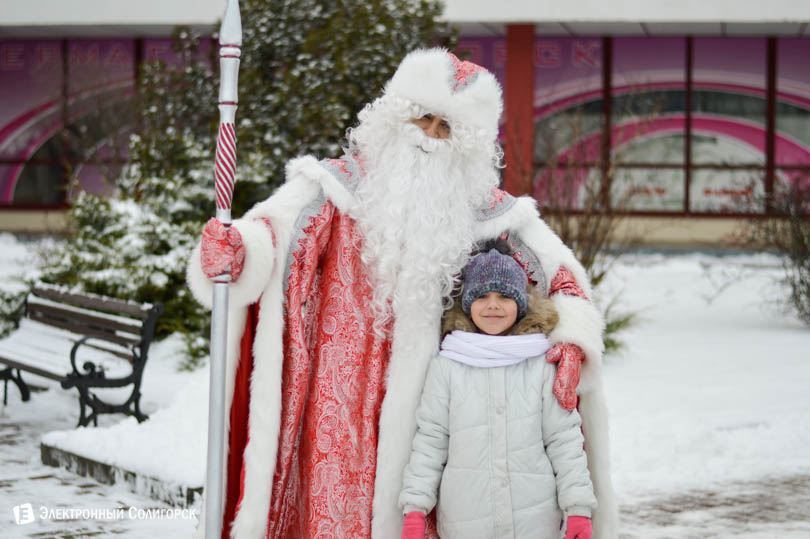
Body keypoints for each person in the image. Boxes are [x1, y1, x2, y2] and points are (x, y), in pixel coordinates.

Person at [187, 47, 617, 539]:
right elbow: (270, 231)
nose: (431, 137)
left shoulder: (490, 214)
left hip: (434, 403)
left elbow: (562, 277)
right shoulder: (332, 186)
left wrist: (571, 339)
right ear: (395, 118)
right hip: (335, 399)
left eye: (446, 128)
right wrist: (235, 251)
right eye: (423, 119)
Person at [398, 245, 596, 539]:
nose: (493, 305)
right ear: (467, 304)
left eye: (504, 296)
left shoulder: (540, 364)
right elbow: (430, 440)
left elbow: (563, 439)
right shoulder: (448, 366)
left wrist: (578, 507)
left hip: (534, 519)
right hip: (467, 519)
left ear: (521, 303)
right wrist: (415, 506)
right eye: (482, 296)